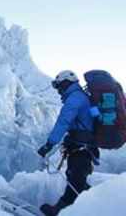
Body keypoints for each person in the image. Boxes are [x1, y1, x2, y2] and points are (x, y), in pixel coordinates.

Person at [37, 70, 99, 216]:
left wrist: (49, 144)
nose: (58, 90)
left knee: (75, 180)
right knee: (77, 178)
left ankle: (61, 210)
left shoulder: (74, 99)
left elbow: (63, 122)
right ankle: (95, 207)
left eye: (59, 86)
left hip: (81, 146)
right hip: (85, 145)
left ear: (66, 83)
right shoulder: (82, 97)